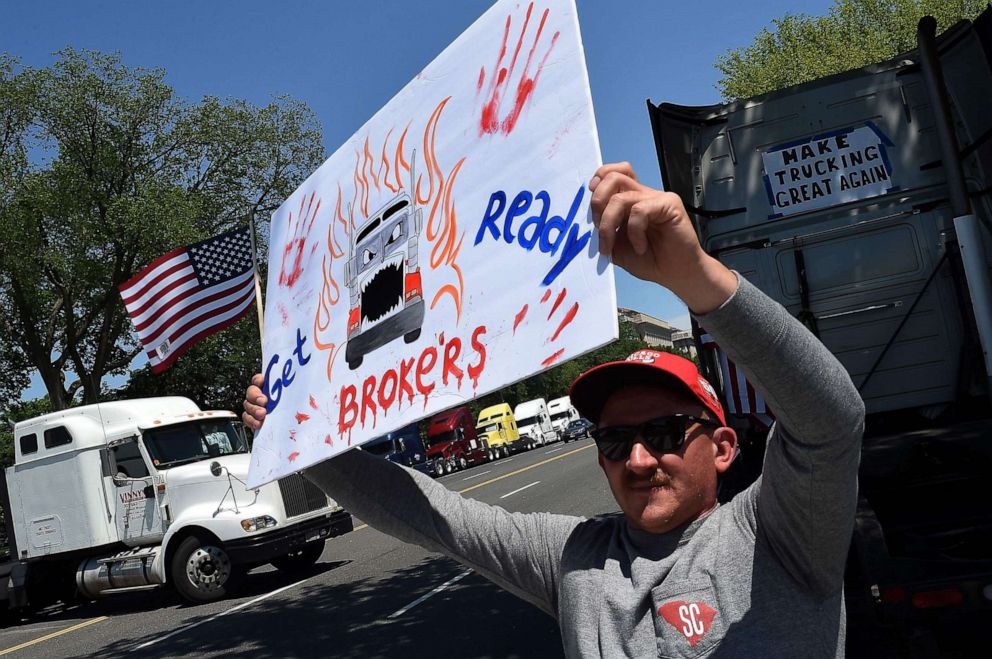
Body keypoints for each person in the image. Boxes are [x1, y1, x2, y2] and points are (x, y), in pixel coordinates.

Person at [243, 162, 865, 657]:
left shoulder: (777, 535)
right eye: (616, 441)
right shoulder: (573, 556)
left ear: (724, 447)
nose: (639, 458)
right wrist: (298, 441)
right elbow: (429, 516)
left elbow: (830, 420)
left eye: (665, 432)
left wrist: (695, 276)